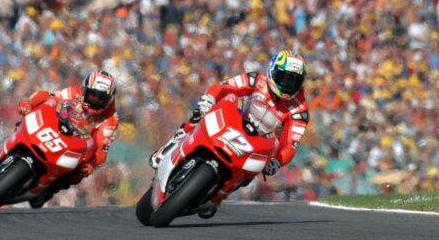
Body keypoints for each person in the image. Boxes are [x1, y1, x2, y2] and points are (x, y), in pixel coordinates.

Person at [149, 50, 310, 184]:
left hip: (259, 142)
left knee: (249, 176)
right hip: (234, 119)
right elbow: (224, 87)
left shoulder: (299, 110)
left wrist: (277, 162)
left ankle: (218, 195)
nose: (288, 86)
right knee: (198, 116)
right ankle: (167, 150)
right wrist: (208, 100)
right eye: (285, 78)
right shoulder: (256, 80)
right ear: (272, 70)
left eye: (295, 81)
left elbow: (290, 145)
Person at [16, 69, 119, 205]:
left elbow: (101, 152)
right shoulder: (74, 92)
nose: (96, 101)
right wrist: (29, 103)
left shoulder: (111, 119)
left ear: (109, 99)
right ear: (85, 89)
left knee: (78, 174)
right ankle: (12, 138)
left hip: (78, 147)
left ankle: (51, 188)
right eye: (93, 95)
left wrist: (90, 166)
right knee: (26, 118)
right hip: (55, 128)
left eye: (101, 98)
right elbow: (46, 96)